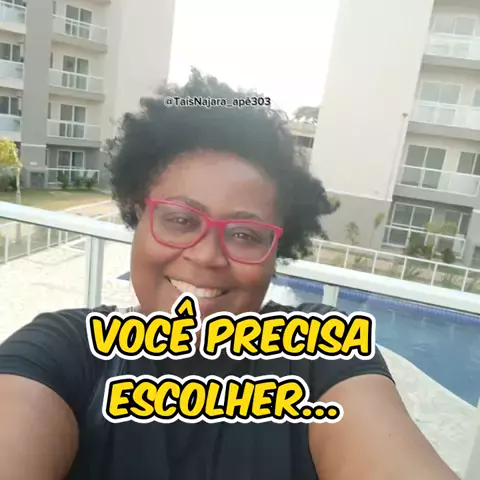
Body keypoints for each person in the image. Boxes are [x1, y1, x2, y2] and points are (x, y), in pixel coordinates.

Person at [0, 75, 460, 480]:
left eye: (244, 234)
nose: (206, 256)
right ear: (139, 216)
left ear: (276, 250)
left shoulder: (319, 354)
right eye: (181, 219)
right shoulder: (64, 351)